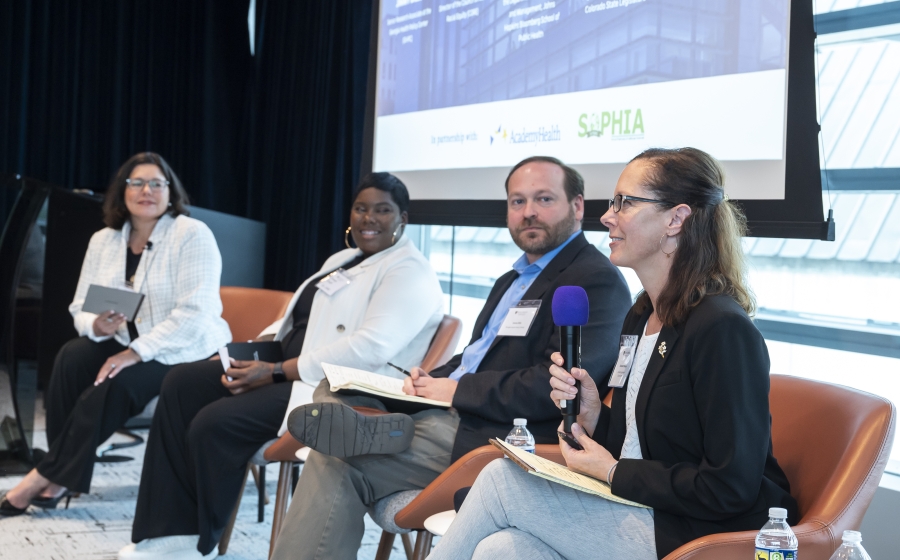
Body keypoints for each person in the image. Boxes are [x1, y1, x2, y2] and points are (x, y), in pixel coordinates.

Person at [427, 147, 799, 560]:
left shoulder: (721, 328)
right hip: (642, 509)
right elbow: (643, 446)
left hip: (704, 533)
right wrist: (593, 418)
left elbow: (729, 486)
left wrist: (611, 471)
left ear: (675, 219)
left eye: (625, 203)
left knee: (501, 479)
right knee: (503, 550)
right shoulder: (641, 315)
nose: (607, 217)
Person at [270, 156, 633, 560]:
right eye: (517, 202)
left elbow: (553, 387)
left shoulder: (593, 280)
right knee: (334, 388)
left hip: (501, 436)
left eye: (543, 199)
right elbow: (475, 357)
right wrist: (431, 377)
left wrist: (456, 390)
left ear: (578, 206)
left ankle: (385, 427)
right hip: (448, 412)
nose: (528, 212)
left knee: (336, 458)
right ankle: (380, 419)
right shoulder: (511, 279)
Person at [119, 172, 445, 560]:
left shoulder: (410, 271)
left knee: (215, 423)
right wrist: (250, 350)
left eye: (382, 210)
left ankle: (198, 541)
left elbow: (370, 348)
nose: (368, 218)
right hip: (286, 363)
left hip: (336, 386)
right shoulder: (344, 258)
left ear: (402, 218)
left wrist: (275, 371)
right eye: (361, 208)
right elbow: (297, 318)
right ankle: (166, 530)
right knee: (181, 382)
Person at [0, 152, 231, 518]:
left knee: (116, 382)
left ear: (171, 193)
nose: (147, 190)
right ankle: (63, 474)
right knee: (71, 358)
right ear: (121, 192)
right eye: (136, 182)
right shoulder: (104, 239)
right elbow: (80, 306)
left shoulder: (192, 234)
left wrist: (135, 352)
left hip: (186, 349)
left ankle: (43, 475)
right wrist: (96, 325)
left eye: (157, 183)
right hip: (127, 340)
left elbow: (196, 314)